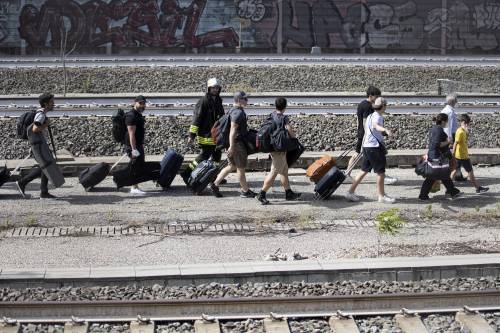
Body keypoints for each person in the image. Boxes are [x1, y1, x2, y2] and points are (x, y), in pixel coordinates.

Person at [344, 97, 395, 204]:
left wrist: (384, 133)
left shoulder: (370, 116)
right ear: (383, 106)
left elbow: (372, 129)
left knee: (364, 171)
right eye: (386, 106)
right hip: (374, 147)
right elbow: (376, 126)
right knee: (381, 172)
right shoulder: (378, 116)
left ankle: (350, 192)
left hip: (367, 146)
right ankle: (381, 196)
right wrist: (385, 129)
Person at [256, 97, 301, 205]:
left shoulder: (271, 115)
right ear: (285, 107)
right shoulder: (284, 118)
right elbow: (289, 129)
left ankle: (288, 192)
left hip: (272, 146)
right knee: (274, 172)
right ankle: (261, 194)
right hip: (279, 149)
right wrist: (294, 138)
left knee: (284, 170)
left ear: (275, 106)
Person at [209, 92, 255, 198]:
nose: (247, 101)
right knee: (240, 168)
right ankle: (245, 191)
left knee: (232, 166)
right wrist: (232, 146)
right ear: (239, 100)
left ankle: (215, 184)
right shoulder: (238, 113)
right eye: (245, 99)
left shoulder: (232, 110)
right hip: (237, 144)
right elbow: (233, 129)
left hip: (232, 143)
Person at [181, 78, 225, 183]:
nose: (215, 90)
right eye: (213, 88)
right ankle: (186, 173)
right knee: (204, 155)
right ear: (209, 88)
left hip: (216, 134)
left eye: (217, 88)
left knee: (217, 156)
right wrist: (191, 135)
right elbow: (197, 119)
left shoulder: (218, 100)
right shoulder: (203, 101)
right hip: (205, 135)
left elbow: (221, 116)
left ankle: (214, 176)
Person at [16, 93, 57, 199]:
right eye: (52, 102)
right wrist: (46, 125)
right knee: (45, 166)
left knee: (45, 165)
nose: (54, 104)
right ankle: (22, 182)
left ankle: (44, 192)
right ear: (46, 104)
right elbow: (35, 129)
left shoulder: (41, 113)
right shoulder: (41, 114)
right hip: (38, 145)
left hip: (38, 144)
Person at [418, 113, 461, 201]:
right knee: (439, 175)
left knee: (439, 175)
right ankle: (452, 192)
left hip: (434, 155)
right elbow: (437, 144)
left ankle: (452, 192)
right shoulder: (439, 130)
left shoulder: (434, 129)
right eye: (447, 121)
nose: (447, 123)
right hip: (437, 157)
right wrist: (448, 141)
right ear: (443, 121)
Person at [451, 114, 489, 194]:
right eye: (467, 123)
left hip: (461, 155)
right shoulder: (460, 132)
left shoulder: (463, 131)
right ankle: (478, 188)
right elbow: (455, 143)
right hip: (462, 156)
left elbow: (463, 142)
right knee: (470, 172)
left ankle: (449, 188)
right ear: (464, 122)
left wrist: (467, 132)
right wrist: (453, 155)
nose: (468, 125)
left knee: (454, 171)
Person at [125, 95, 148, 195]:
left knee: (139, 165)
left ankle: (136, 186)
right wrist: (134, 150)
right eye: (140, 103)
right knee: (135, 166)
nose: (143, 105)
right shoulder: (131, 116)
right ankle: (133, 187)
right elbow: (131, 134)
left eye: (144, 103)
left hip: (138, 145)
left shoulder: (137, 114)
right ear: (135, 103)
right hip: (133, 146)